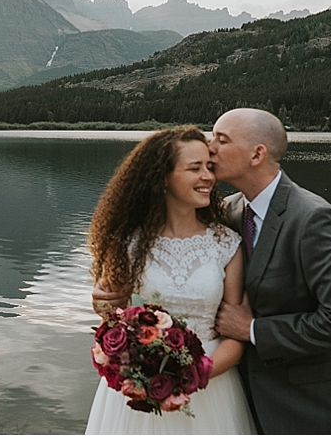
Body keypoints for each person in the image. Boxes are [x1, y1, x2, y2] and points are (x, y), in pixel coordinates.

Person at [210, 108, 331, 434]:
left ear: (257, 154)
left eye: (221, 139)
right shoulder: (226, 212)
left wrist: (255, 330)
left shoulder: (313, 219)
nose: (209, 147)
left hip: (311, 408)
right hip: (240, 404)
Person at [85, 125, 256, 434]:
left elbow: (236, 334)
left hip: (212, 387)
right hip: (140, 388)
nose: (208, 177)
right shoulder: (126, 243)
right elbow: (113, 316)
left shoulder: (226, 244)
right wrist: (102, 305)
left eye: (209, 167)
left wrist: (195, 374)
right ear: (163, 178)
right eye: (195, 168)